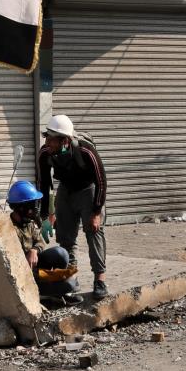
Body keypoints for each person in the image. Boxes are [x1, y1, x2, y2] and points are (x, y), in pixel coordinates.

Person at [37, 114, 109, 299]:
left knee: (93, 231)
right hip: (66, 190)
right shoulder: (45, 153)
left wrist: (96, 212)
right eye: (47, 137)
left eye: (51, 139)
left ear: (65, 140)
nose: (47, 142)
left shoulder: (86, 151)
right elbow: (44, 184)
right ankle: (71, 279)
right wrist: (46, 215)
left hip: (88, 190)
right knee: (65, 237)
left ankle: (100, 279)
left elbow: (101, 181)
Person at [7, 180, 80, 304]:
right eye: (32, 205)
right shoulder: (8, 229)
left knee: (61, 253)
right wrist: (49, 275)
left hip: (36, 268)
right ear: (20, 208)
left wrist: (34, 250)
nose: (35, 209)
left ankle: (57, 293)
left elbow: (40, 242)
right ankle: (42, 295)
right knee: (69, 283)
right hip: (25, 275)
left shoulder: (28, 223)